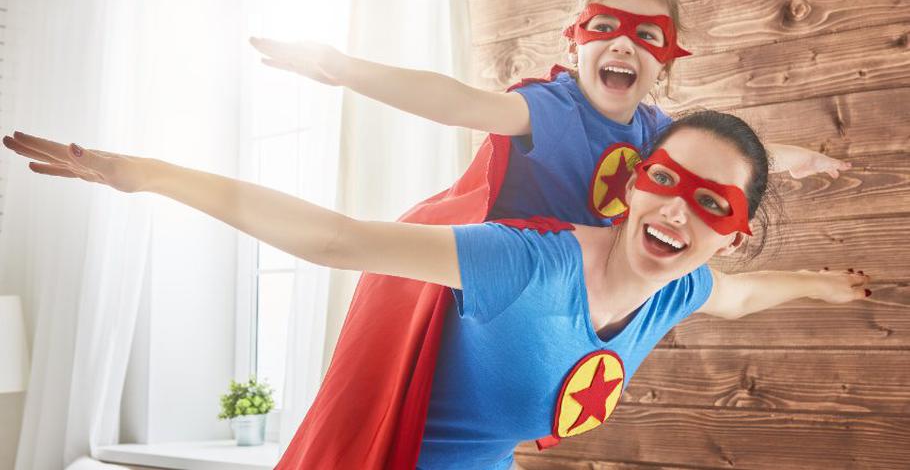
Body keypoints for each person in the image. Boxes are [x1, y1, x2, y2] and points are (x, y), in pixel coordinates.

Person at [2, 111, 869, 470]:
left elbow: (749, 297)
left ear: (733, 231)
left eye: (711, 204)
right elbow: (337, 239)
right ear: (635, 181)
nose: (679, 212)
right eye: (668, 180)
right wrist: (151, 174)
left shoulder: (679, 290)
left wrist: (833, 288)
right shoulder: (527, 264)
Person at [246, 0, 851, 467]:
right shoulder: (550, 111)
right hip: (504, 281)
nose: (623, 44)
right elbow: (458, 104)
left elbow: (725, 167)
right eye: (605, 26)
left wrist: (796, 161)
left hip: (576, 299)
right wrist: (344, 69)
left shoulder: (658, 133)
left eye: (647, 36)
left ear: (665, 63)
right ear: (575, 41)